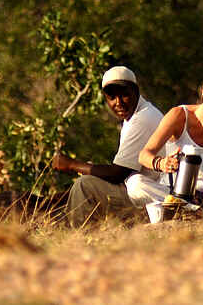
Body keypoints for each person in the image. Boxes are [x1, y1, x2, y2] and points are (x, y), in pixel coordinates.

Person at [50, 65, 165, 225]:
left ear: (136, 91)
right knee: (88, 180)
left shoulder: (142, 119)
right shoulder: (136, 115)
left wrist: (71, 164)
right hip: (144, 193)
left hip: (150, 201)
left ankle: (76, 239)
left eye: (124, 95)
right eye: (112, 97)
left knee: (85, 185)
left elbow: (117, 174)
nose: (118, 102)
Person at [131, 67, 203, 222]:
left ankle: (197, 211)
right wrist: (161, 163)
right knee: (135, 184)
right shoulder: (179, 115)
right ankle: (195, 211)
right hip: (172, 193)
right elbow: (144, 155)